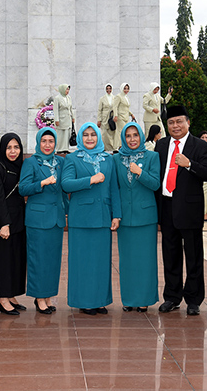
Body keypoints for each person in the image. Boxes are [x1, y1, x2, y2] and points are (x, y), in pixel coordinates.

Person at [155, 106, 207, 315]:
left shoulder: (199, 145)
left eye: (179, 121)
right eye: (171, 122)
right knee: (170, 255)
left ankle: (194, 299)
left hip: (189, 208)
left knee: (194, 255)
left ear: (188, 123)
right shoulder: (161, 145)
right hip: (167, 206)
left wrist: (189, 164)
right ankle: (172, 297)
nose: (175, 126)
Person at [61, 123, 121, 314]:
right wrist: (90, 180)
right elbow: (66, 184)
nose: (89, 138)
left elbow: (114, 188)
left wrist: (117, 214)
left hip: (103, 216)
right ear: (80, 137)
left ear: (98, 137)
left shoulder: (108, 159)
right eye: (85, 135)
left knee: (101, 261)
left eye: (92, 135)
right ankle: (84, 302)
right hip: (81, 218)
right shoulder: (72, 158)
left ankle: (99, 300)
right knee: (82, 261)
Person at [18, 127, 68, 314]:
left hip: (56, 219)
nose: (47, 145)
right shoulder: (31, 162)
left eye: (51, 141)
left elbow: (63, 190)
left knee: (53, 260)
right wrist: (42, 183)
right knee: (38, 259)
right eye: (44, 141)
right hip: (37, 219)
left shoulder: (61, 162)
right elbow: (23, 189)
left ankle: (48, 296)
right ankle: (39, 298)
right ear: (38, 143)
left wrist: (67, 211)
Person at [114, 123, 160, 312]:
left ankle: (145, 299)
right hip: (125, 218)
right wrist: (116, 214)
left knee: (146, 260)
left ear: (141, 136)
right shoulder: (116, 159)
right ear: (123, 138)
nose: (132, 139)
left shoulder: (153, 156)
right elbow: (115, 189)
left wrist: (140, 173)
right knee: (127, 260)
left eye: (135, 135)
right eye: (128, 136)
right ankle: (129, 299)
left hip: (146, 217)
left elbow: (156, 184)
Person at [0, 133, 28, 315]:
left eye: (16, 147)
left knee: (16, 258)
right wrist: (4, 223)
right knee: (4, 260)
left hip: (19, 219)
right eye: (9, 147)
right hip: (3, 220)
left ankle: (12, 295)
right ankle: (3, 298)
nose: (13, 151)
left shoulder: (21, 166)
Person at [112, 83, 135, 150]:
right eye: (125, 88)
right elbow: (115, 106)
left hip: (126, 117)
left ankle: (122, 145)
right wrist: (115, 115)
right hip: (120, 117)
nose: (126, 90)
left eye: (127, 88)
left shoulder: (126, 97)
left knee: (124, 131)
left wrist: (131, 114)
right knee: (119, 131)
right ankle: (117, 146)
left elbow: (126, 108)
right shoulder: (118, 96)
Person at [53, 84, 74, 154]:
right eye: (66, 89)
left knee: (67, 134)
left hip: (68, 118)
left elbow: (70, 108)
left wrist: (73, 117)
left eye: (68, 89)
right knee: (60, 134)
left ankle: (66, 148)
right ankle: (59, 149)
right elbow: (55, 110)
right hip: (61, 119)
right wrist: (56, 119)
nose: (67, 91)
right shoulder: (57, 98)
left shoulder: (69, 98)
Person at [97, 83, 116, 151]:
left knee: (112, 133)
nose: (109, 90)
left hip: (112, 118)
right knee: (104, 134)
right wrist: (99, 120)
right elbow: (100, 110)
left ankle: (112, 147)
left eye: (110, 89)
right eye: (107, 89)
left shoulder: (114, 98)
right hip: (104, 118)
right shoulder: (102, 99)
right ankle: (104, 148)